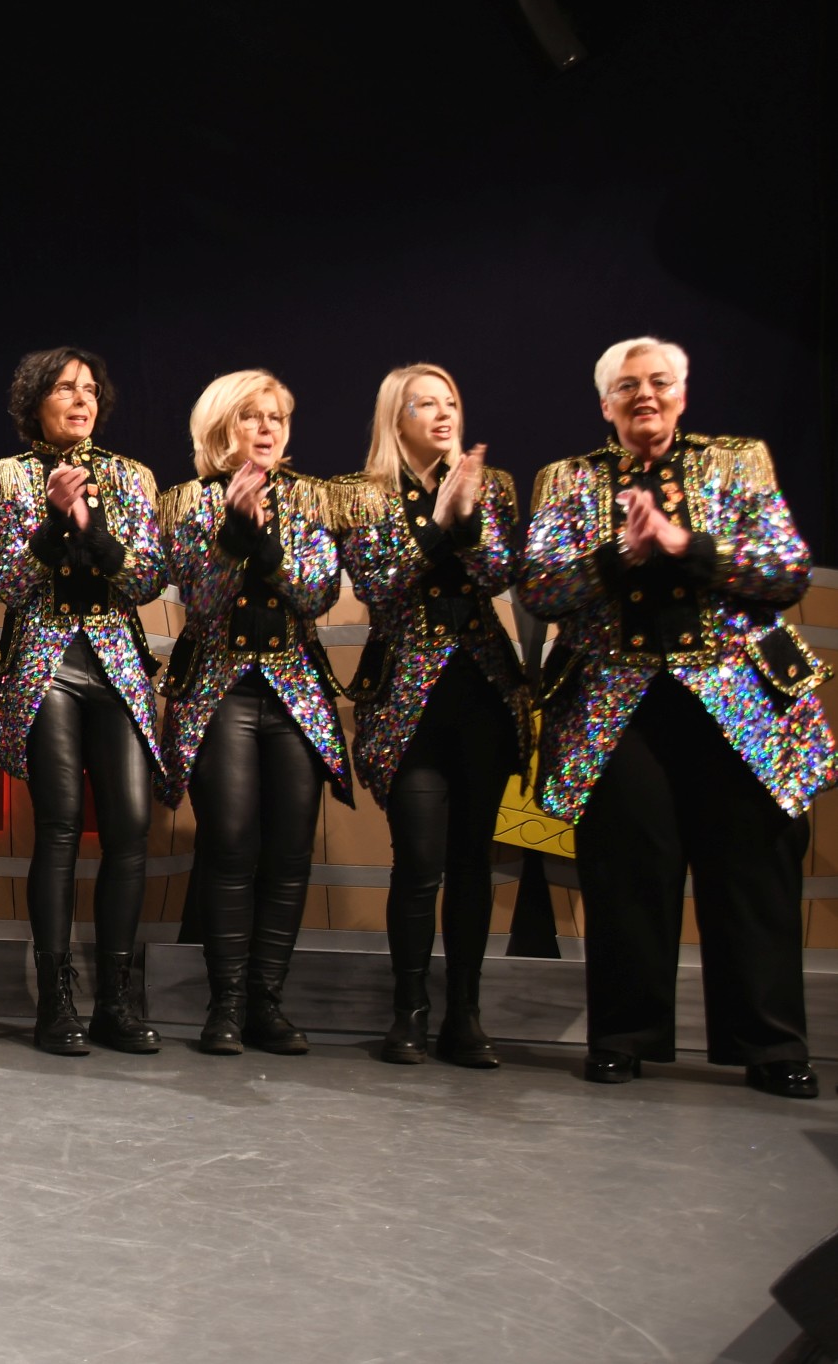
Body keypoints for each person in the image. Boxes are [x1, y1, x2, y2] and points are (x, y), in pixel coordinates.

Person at [519, 337, 833, 1099]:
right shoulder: (568, 480)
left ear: (682, 394)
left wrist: (684, 545)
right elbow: (539, 588)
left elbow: (785, 571)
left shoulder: (737, 462)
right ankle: (621, 1036)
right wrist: (616, 558)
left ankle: (768, 1044)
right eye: (627, 387)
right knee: (627, 866)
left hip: (737, 699)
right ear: (605, 405)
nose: (645, 396)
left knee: (753, 866)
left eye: (658, 382)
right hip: (616, 703)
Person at [333, 364, 531, 1067]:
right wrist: (439, 526)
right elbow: (378, 586)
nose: (443, 414)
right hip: (405, 703)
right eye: (426, 404)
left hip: (481, 691)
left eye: (451, 401)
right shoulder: (360, 494)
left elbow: (501, 574)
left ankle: (465, 1016)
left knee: (472, 861)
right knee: (418, 862)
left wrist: (467, 518)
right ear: (397, 417)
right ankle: (408, 1013)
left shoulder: (491, 485)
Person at [157, 369, 353, 1057]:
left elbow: (315, 594)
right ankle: (227, 1004)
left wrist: (263, 541)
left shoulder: (311, 497)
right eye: (251, 416)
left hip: (295, 690)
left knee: (289, 851)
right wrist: (233, 532)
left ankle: (266, 1001)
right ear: (220, 427)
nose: (267, 429)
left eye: (276, 417)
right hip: (220, 688)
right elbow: (203, 600)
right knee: (231, 845)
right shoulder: (187, 500)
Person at [0, 348, 166, 1056]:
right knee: (59, 825)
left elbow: (146, 579)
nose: (81, 399)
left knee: (129, 827)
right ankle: (55, 998)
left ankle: (116, 998)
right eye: (64, 388)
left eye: (89, 389)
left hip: (116, 663)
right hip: (46, 663)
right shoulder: (7, 477)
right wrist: (56, 524)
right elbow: (5, 581)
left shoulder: (129, 476)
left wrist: (95, 533)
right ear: (36, 403)